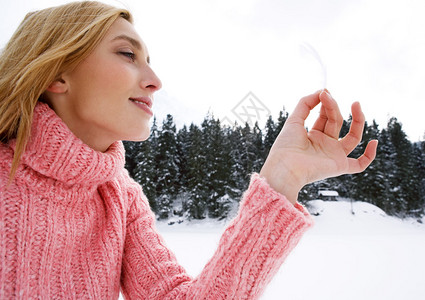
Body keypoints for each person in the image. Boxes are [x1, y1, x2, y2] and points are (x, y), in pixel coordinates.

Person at [0, 1, 378, 299]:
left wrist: (283, 177)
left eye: (149, 61)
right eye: (127, 55)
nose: (154, 81)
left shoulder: (120, 196)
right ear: (56, 74)